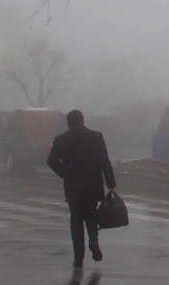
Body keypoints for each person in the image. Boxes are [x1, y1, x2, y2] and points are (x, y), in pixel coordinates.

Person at [47, 109, 117, 268]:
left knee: (76, 219)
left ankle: (78, 258)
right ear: (83, 120)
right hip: (92, 184)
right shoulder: (96, 137)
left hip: (73, 186)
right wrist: (111, 185)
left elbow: (51, 160)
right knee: (91, 215)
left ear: (68, 123)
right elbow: (105, 161)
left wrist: (65, 173)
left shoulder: (61, 139)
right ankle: (93, 240)